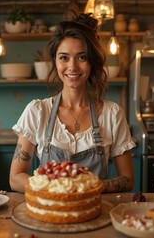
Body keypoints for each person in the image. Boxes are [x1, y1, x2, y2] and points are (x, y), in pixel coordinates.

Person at [10, 13, 135, 193]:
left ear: (92, 61)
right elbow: (15, 178)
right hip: (49, 211)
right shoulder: (37, 111)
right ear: (55, 60)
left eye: (82, 57)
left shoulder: (112, 114)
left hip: (94, 213)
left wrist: (87, 187)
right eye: (64, 57)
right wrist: (57, 188)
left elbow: (127, 179)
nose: (72, 66)